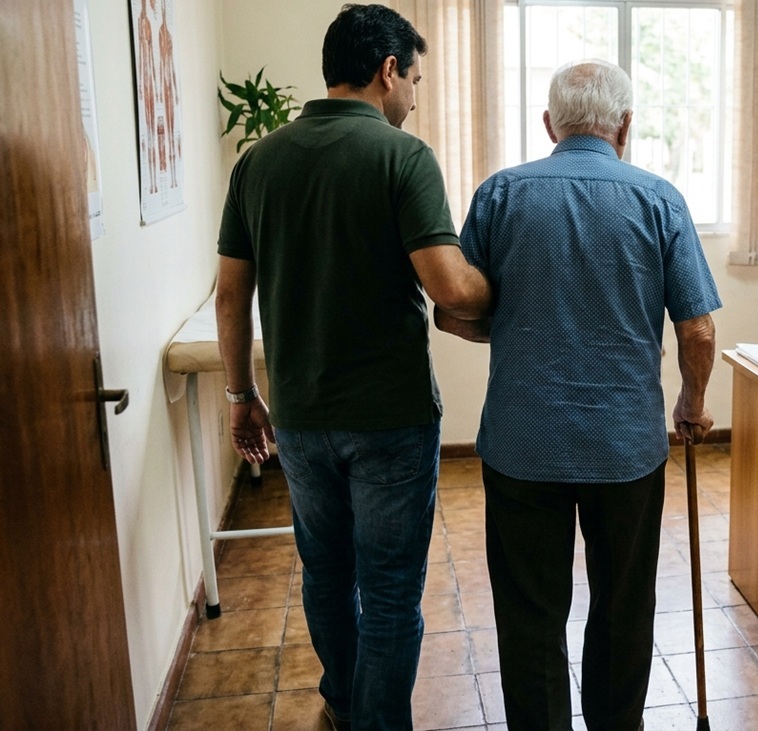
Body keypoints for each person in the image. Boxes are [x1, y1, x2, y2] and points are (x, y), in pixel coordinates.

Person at [214, 5, 491, 730]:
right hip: (391, 416)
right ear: (387, 69)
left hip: (301, 415)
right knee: (392, 590)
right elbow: (451, 287)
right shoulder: (403, 156)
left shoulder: (257, 162)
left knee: (328, 575)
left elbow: (229, 296)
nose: (416, 97)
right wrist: (508, 278)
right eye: (416, 79)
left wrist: (243, 393)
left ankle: (341, 704)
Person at [438, 59, 721, 730]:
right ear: (625, 125)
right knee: (623, 606)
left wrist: (519, 331)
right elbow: (699, 330)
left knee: (530, 609)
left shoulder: (500, 194)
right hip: (624, 448)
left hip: (520, 444)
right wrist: (692, 402)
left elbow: (456, 312)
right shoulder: (660, 198)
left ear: (548, 124)